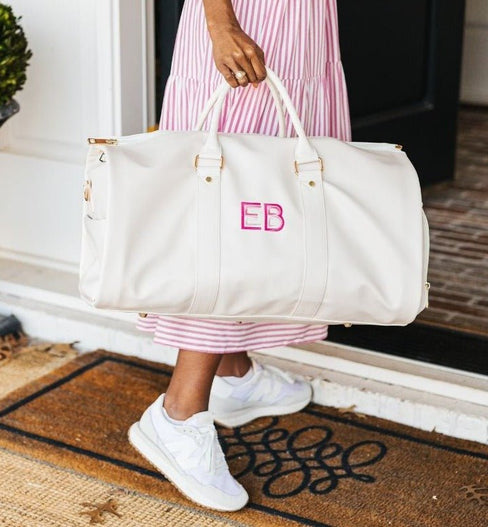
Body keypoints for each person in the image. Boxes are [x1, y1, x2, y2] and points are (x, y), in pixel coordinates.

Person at [128, 0, 352, 512]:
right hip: (250, 18)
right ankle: (178, 415)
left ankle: (232, 371)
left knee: (270, 205)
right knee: (229, 211)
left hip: (302, 28)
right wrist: (220, 21)